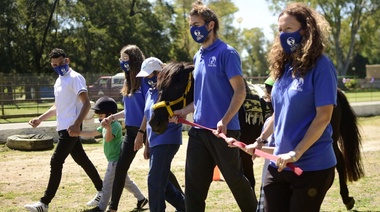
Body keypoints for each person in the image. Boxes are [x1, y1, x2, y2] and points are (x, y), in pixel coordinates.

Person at [246, 3, 338, 211]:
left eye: (288, 29)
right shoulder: (285, 68)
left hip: (311, 166)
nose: (282, 34)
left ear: (305, 31)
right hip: (278, 163)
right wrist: (260, 141)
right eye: (280, 30)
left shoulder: (322, 66)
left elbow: (323, 117)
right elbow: (279, 113)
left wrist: (295, 153)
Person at [173, 1, 257, 211]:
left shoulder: (227, 53)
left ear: (210, 25)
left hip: (224, 132)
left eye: (197, 24)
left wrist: (225, 120)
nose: (194, 29)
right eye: (191, 25)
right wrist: (185, 111)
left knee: (236, 181)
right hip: (199, 132)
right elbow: (201, 97)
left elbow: (240, 91)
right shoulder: (198, 56)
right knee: (193, 187)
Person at [24, 48, 103, 212]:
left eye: (61, 63)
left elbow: (87, 103)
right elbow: (57, 107)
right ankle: (103, 190)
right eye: (54, 65)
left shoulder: (75, 78)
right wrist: (40, 119)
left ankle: (44, 203)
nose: (58, 66)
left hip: (71, 128)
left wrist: (76, 124)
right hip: (64, 127)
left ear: (68, 60)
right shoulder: (59, 81)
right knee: (82, 159)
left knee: (56, 161)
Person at [101, 45, 148, 212]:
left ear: (135, 59)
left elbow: (147, 110)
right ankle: (112, 208)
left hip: (146, 130)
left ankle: (182, 201)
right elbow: (130, 110)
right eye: (121, 59)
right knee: (120, 168)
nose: (122, 62)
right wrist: (112, 117)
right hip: (131, 131)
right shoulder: (128, 81)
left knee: (159, 170)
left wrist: (142, 134)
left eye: (126, 59)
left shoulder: (145, 80)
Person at [79, 96, 147, 212]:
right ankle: (141, 199)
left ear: (109, 114)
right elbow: (92, 133)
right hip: (112, 160)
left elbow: (108, 139)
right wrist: (77, 133)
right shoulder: (104, 125)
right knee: (126, 182)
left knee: (107, 185)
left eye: (101, 116)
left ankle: (101, 207)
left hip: (115, 160)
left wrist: (108, 128)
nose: (100, 119)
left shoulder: (115, 126)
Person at [137, 59, 187, 212]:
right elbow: (149, 118)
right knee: (162, 183)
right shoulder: (150, 92)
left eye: (150, 74)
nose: (147, 78)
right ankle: (186, 207)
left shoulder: (169, 90)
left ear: (160, 72)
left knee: (155, 181)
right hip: (155, 142)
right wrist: (147, 144)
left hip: (167, 139)